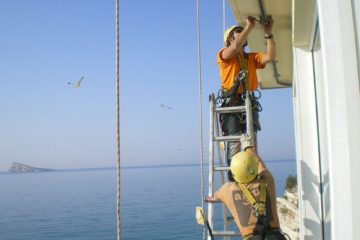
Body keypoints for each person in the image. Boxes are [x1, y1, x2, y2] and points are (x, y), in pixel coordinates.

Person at [217, 16, 276, 177]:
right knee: (235, 143)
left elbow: (270, 56)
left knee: (251, 143)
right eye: (237, 32)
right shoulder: (224, 55)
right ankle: (235, 178)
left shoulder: (251, 58)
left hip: (249, 103)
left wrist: (268, 34)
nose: (241, 33)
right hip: (232, 104)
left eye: (241, 31)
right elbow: (235, 46)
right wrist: (249, 26)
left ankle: (251, 175)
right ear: (229, 39)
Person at [207, 150, 287, 240]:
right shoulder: (268, 180)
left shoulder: (226, 190)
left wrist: (208, 199)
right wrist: (250, 149)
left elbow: (212, 197)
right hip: (275, 236)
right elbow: (261, 165)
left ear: (233, 173)